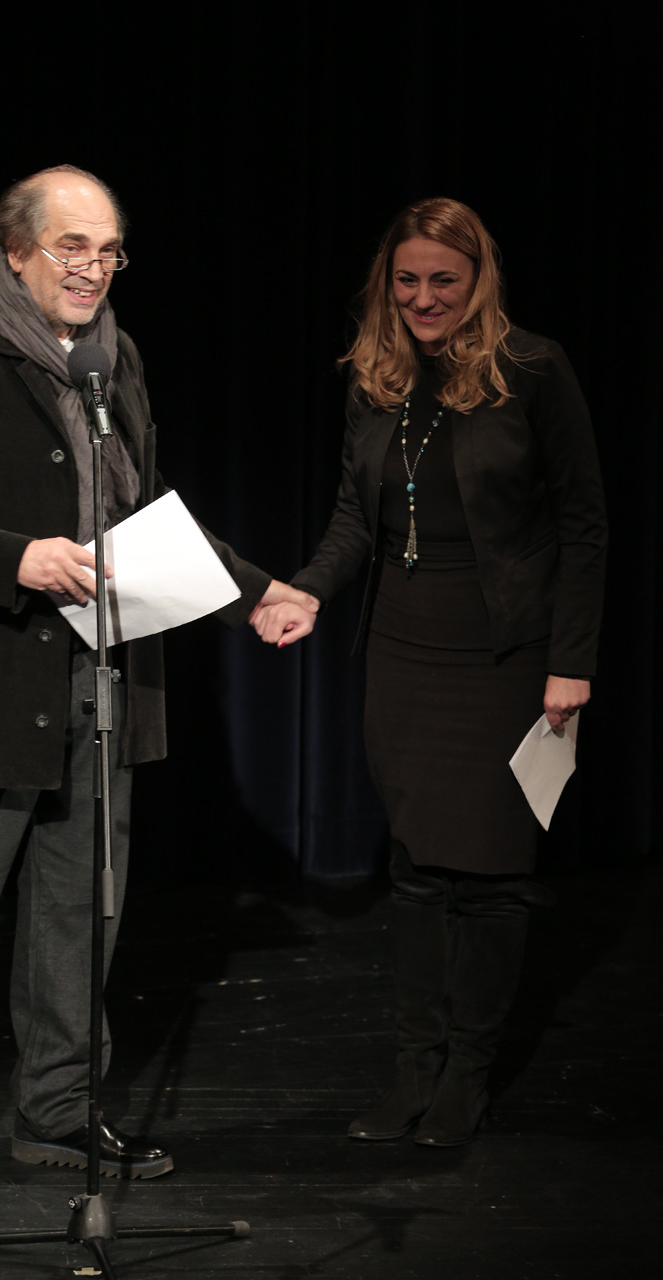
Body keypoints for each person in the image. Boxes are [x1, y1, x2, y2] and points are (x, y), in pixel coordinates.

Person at [0, 163, 317, 1201]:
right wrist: (14, 558)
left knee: (79, 911)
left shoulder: (116, 360)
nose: (93, 268)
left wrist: (251, 590)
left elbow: (143, 509)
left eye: (109, 251)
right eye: (72, 246)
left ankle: (57, 1111)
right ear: (16, 251)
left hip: (102, 680)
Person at [251, 198, 606, 1146]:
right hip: (402, 654)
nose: (422, 298)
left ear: (477, 278)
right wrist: (308, 590)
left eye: (442, 279)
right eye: (406, 280)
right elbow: (351, 518)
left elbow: (583, 524)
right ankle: (413, 1070)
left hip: (504, 658)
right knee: (412, 871)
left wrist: (570, 662)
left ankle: (467, 1077)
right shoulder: (375, 379)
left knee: (488, 878)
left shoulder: (532, 369)